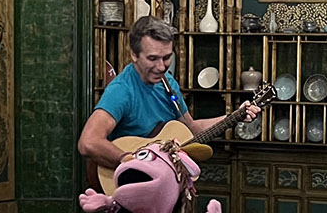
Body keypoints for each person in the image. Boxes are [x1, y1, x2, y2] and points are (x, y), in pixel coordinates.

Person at [78, 16, 259, 170]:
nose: (161, 66)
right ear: (134, 54)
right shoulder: (121, 90)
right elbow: (88, 142)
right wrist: (129, 161)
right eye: (152, 58)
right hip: (130, 188)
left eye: (166, 57)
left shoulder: (168, 84)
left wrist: (235, 116)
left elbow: (192, 130)